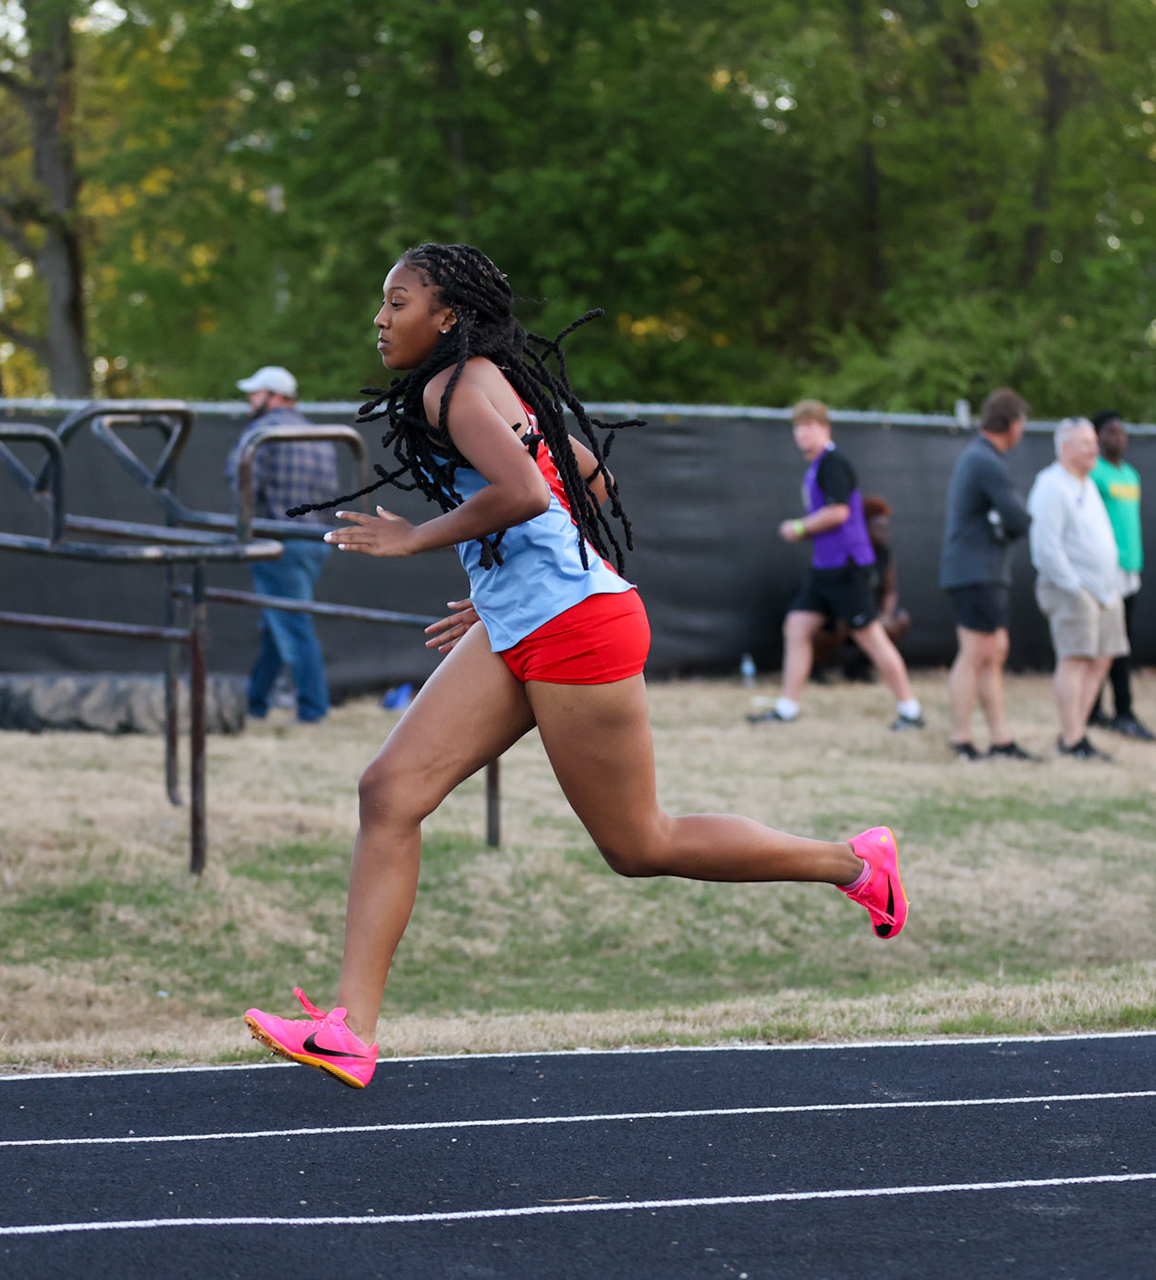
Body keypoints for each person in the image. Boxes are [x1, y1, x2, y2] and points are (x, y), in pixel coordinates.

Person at [241, 244, 908, 1088]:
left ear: (447, 316)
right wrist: (506, 585)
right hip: (527, 620)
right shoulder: (487, 380)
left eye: (397, 302)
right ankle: (349, 1031)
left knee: (639, 844)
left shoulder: (453, 388)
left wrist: (417, 540)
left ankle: (857, 864)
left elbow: (527, 492)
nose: (380, 319)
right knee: (389, 793)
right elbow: (587, 477)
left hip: (576, 629)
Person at [748, 400, 923, 729]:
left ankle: (910, 711)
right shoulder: (817, 466)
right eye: (798, 427)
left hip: (847, 568)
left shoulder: (833, 463)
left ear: (825, 429)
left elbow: (839, 512)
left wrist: (799, 527)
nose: (803, 433)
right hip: (824, 569)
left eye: (810, 426)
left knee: (871, 638)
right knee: (796, 627)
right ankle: (787, 708)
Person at [228, 365, 342, 722]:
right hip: (315, 541)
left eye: (256, 393)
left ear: (276, 396)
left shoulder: (261, 433)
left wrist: (246, 529)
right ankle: (255, 703)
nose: (250, 400)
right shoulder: (321, 435)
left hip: (278, 544)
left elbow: (241, 482)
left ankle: (313, 711)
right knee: (276, 625)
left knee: (293, 628)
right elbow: (332, 493)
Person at [939, 388, 1035, 761]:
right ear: (1012, 424)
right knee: (975, 653)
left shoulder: (980, 457)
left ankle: (1001, 740)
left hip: (984, 571)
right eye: (1022, 423)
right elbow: (1018, 518)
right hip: (974, 573)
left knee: (993, 652)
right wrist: (1008, 525)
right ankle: (961, 740)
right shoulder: (985, 460)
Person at [1027, 418, 1126, 760]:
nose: (1094, 448)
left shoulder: (1087, 485)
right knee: (1075, 658)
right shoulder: (1052, 485)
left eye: (1094, 441)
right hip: (1072, 591)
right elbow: (1045, 547)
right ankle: (1071, 741)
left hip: (1106, 590)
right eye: (1085, 443)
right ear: (1065, 447)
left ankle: (1076, 733)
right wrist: (1074, 586)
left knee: (1101, 660)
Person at [1086, 411, 1156, 741]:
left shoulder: (1130, 475)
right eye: (1111, 432)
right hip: (1104, 570)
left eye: (1122, 432)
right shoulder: (1093, 474)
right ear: (1097, 437)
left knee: (1121, 640)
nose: (1119, 438)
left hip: (1130, 568)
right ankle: (1106, 709)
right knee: (1106, 642)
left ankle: (1112, 709)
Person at [812, 495, 910, 681]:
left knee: (899, 620)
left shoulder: (884, 554)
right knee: (833, 626)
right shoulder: (850, 552)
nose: (883, 532)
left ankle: (860, 668)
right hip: (844, 612)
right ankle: (817, 668)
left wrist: (884, 614)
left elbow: (890, 589)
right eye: (878, 527)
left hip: (868, 613)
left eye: (885, 527)